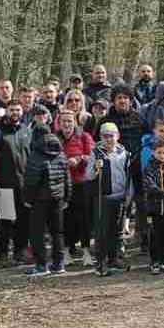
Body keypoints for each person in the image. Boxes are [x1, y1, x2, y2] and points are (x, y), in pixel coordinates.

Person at [23, 122, 70, 277]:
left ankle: (41, 265)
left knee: (37, 233)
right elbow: (67, 178)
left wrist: (27, 199)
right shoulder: (61, 153)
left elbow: (31, 181)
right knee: (58, 232)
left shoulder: (35, 155)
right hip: (58, 198)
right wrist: (67, 198)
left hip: (39, 200)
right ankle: (59, 263)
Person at [0, 101, 32, 264]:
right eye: (12, 110)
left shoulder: (26, 130)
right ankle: (2, 253)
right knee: (5, 220)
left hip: (24, 184)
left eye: (18, 109)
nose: (15, 112)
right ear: (6, 112)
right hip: (5, 183)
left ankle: (20, 251)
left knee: (23, 219)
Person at [91, 122, 133, 275]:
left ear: (118, 136)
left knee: (116, 231)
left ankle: (114, 259)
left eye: (111, 136)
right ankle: (101, 263)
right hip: (103, 197)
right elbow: (88, 175)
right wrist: (95, 168)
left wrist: (129, 196)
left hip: (120, 197)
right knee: (102, 231)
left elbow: (129, 177)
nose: (109, 139)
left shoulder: (125, 154)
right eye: (105, 136)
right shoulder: (96, 153)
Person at [140, 120, 164, 272]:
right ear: (154, 153)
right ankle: (155, 260)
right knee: (155, 235)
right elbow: (150, 186)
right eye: (159, 153)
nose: (162, 155)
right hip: (154, 207)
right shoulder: (149, 167)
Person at [56, 109, 94, 264]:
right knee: (65, 218)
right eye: (63, 121)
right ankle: (66, 251)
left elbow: (92, 156)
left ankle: (86, 251)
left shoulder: (84, 136)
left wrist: (79, 159)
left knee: (84, 218)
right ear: (59, 123)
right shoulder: (54, 138)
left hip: (81, 183)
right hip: (61, 183)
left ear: (75, 122)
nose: (66, 124)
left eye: (69, 121)